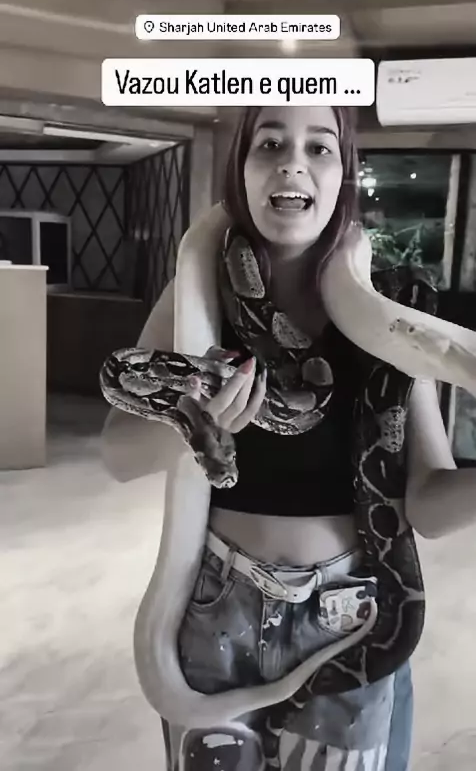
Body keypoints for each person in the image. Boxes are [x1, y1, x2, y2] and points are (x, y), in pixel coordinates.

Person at [102, 105, 463, 770]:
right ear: (239, 169)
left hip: (347, 613)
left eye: (320, 148)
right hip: (215, 603)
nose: (293, 162)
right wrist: (195, 422)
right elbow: (118, 456)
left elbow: (430, 506)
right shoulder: (196, 290)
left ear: (345, 173)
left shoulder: (391, 319)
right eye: (269, 144)